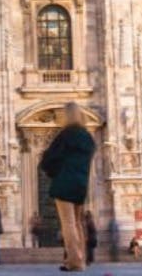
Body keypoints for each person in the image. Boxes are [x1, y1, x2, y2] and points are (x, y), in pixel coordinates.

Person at [40, 102, 95, 273]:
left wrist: (53, 171)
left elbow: (50, 159)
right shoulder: (88, 138)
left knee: (68, 224)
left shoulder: (66, 135)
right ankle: (81, 259)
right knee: (78, 223)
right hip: (81, 184)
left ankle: (74, 262)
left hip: (65, 183)